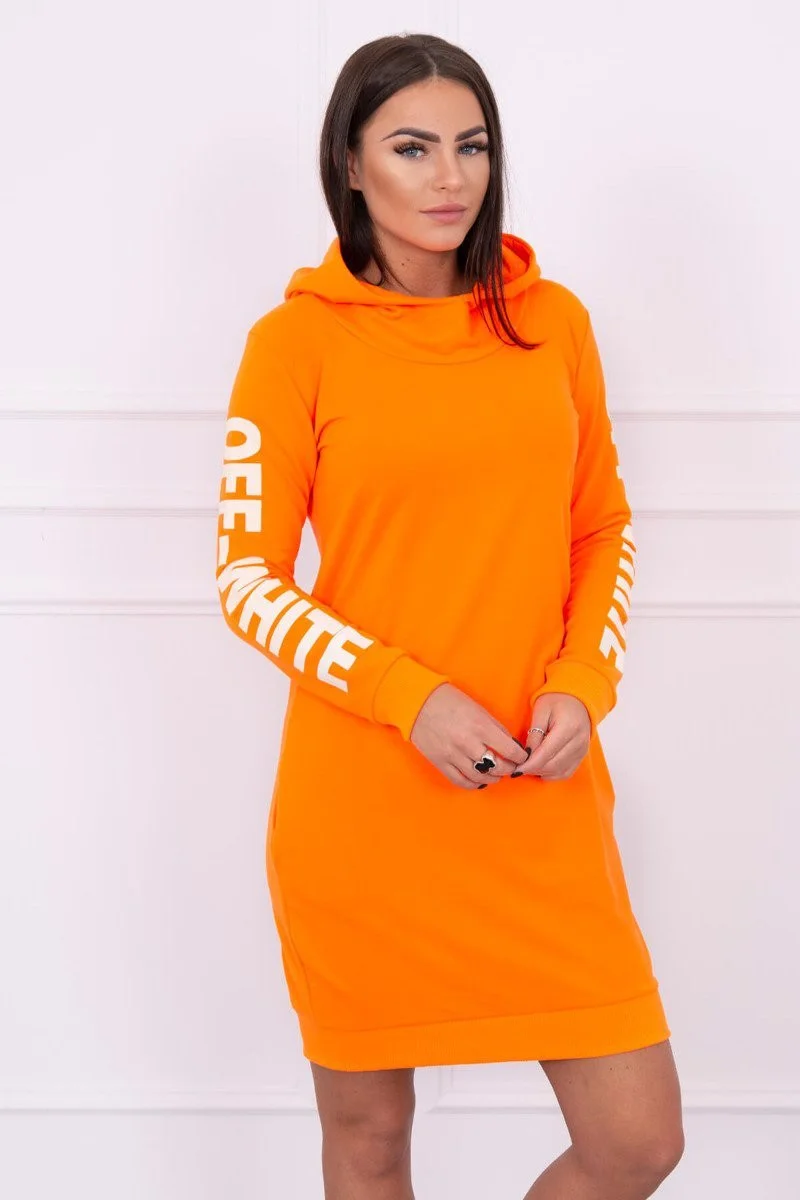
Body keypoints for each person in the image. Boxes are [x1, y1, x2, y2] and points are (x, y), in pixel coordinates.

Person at [215, 31, 684, 1200]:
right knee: (369, 1141)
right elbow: (247, 582)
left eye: (470, 147)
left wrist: (582, 684)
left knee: (635, 1142)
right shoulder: (295, 345)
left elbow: (601, 529)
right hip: (364, 810)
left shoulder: (550, 324)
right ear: (350, 163)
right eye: (411, 147)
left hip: (539, 799)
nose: (449, 178)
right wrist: (408, 697)